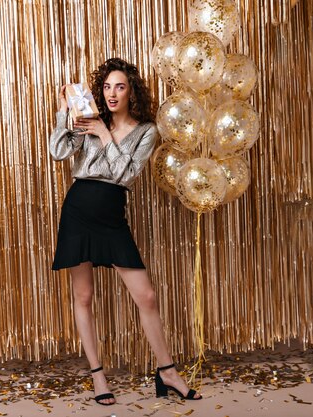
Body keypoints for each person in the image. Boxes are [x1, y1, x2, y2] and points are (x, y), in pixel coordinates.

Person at [49, 58, 202, 406]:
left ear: (131, 90)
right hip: (78, 209)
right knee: (83, 296)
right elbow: (58, 152)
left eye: (119, 86)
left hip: (111, 214)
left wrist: (104, 135)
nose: (112, 93)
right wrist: (64, 112)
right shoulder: (89, 120)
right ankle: (98, 375)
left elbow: (124, 175)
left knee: (145, 295)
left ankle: (167, 372)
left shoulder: (145, 131)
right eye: (106, 87)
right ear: (100, 91)